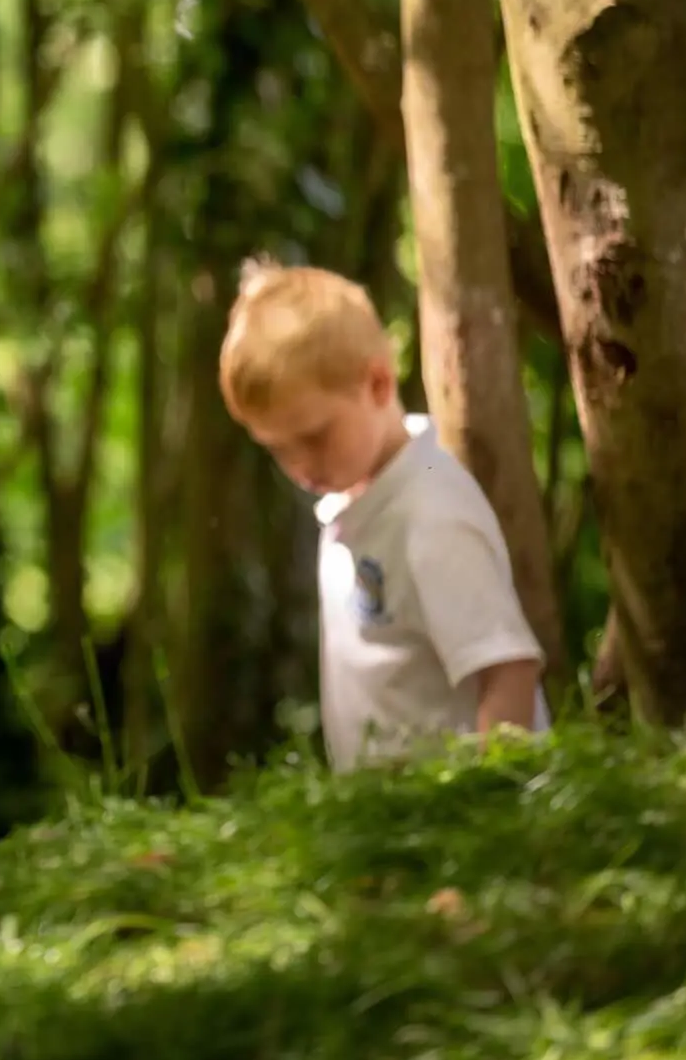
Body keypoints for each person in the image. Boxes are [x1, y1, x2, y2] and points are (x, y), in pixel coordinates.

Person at [220, 258, 547, 771]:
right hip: (392, 823)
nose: (299, 466)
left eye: (313, 437)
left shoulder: (432, 511)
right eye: (278, 449)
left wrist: (494, 799)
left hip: (456, 820)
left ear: (376, 383)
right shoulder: (355, 502)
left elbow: (508, 669)